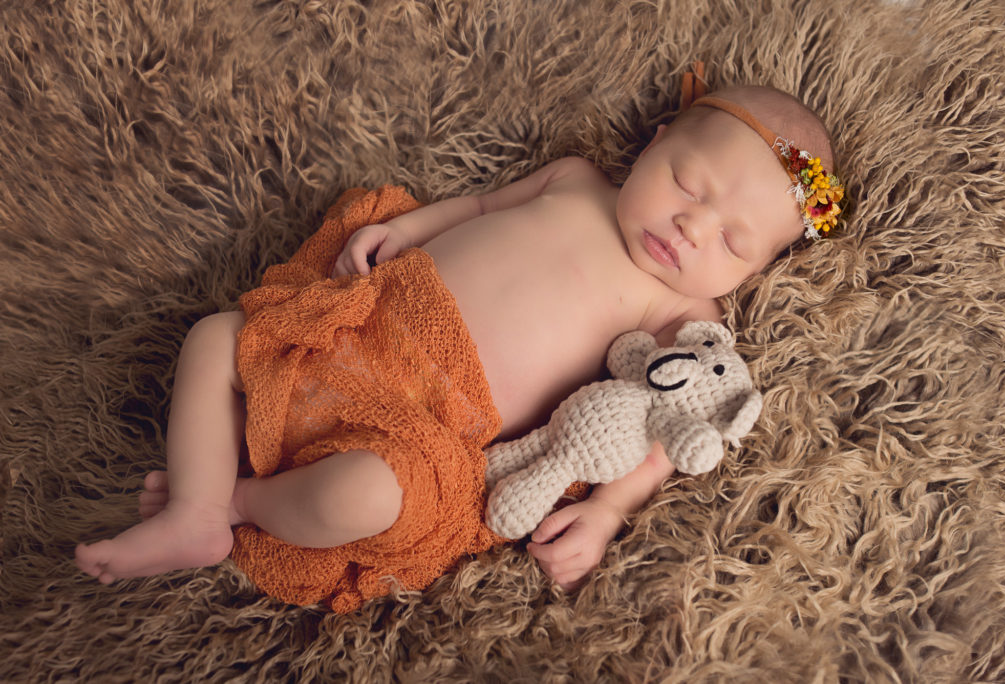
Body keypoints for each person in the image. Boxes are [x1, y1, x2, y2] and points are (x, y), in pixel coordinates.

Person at [75, 81, 842, 611]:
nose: (691, 228)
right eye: (687, 184)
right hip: (358, 328)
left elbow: (663, 430)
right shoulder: (575, 181)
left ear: (759, 269)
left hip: (418, 430)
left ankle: (235, 507)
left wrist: (609, 512)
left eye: (733, 242)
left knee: (370, 499)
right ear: (657, 141)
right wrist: (403, 231)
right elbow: (476, 204)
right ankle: (196, 502)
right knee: (217, 338)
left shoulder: (682, 308)